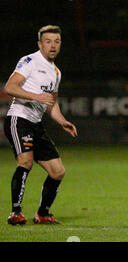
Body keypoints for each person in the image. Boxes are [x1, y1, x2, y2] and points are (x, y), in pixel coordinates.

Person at [3, 25, 78, 225]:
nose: (52, 45)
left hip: (36, 124)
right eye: (48, 41)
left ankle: (43, 214)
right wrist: (35, 96)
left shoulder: (56, 72)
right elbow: (10, 87)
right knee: (25, 162)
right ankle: (15, 212)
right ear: (40, 44)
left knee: (57, 171)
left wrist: (62, 121)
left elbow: (51, 102)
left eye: (56, 41)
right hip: (19, 119)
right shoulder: (29, 61)